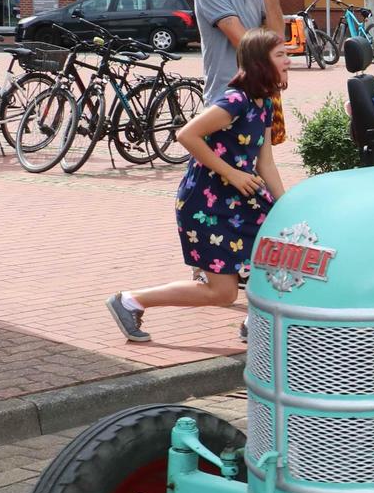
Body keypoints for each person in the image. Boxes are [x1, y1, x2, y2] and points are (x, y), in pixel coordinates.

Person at [105, 30, 287, 344]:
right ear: (260, 63)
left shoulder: (265, 103)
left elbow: (265, 163)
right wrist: (232, 173)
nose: (288, 61)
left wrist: (285, 205)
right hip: (207, 205)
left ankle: (255, 322)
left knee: (280, 251)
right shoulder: (235, 101)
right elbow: (187, 135)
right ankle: (129, 301)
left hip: (244, 201)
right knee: (222, 293)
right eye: (281, 55)